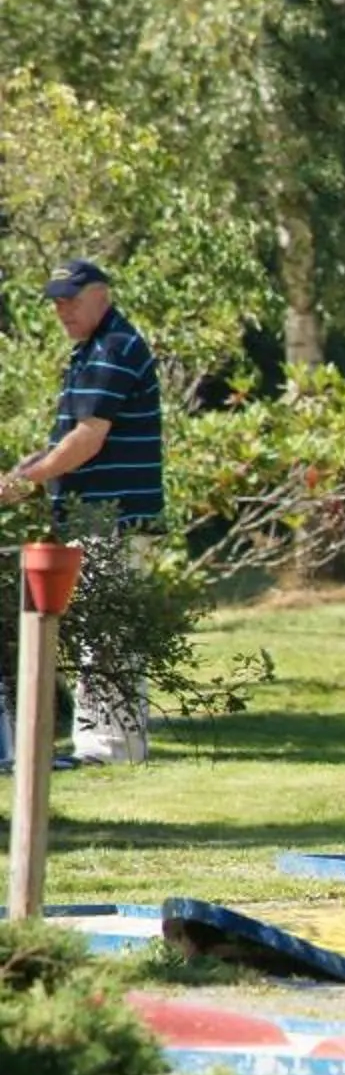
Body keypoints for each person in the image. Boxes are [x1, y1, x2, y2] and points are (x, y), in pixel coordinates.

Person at [2, 260, 165, 764]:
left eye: (71, 298)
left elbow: (88, 439)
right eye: (55, 300)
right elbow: (64, 440)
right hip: (94, 518)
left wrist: (26, 480)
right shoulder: (92, 350)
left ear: (103, 295)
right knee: (99, 630)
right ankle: (104, 745)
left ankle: (110, 750)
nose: (61, 309)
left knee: (107, 634)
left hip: (113, 517)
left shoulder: (113, 348)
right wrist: (24, 470)